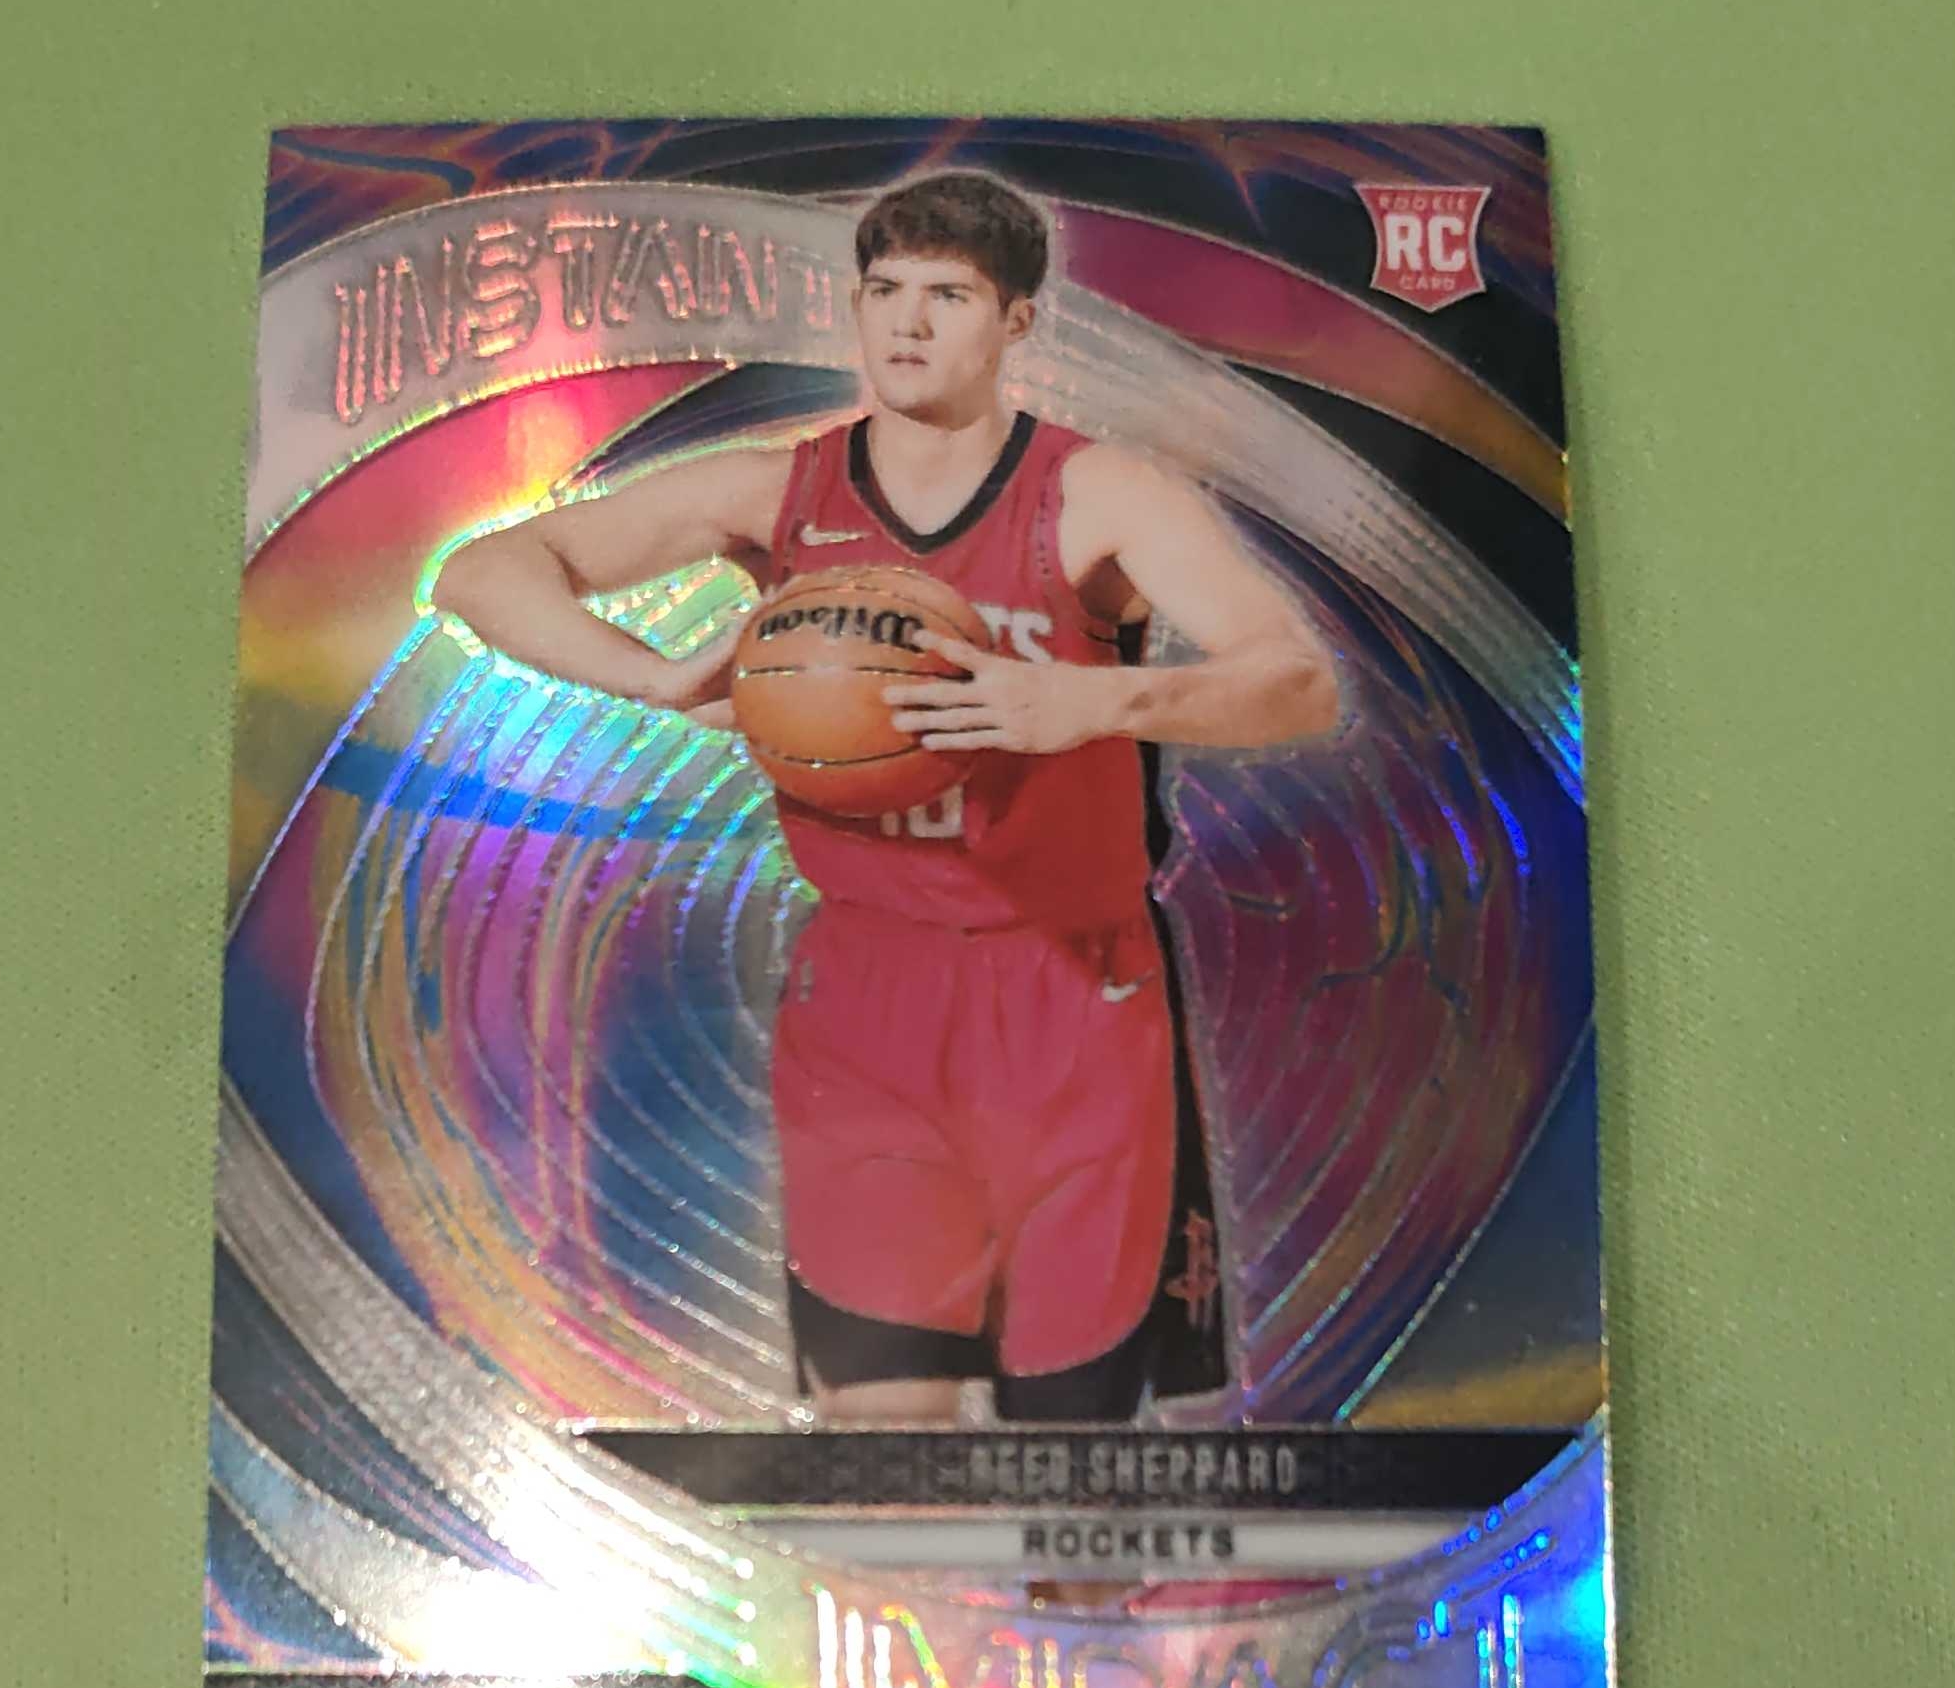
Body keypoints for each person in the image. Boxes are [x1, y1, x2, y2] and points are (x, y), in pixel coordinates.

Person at [432, 171, 1339, 1426]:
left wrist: (1091, 700)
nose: (907, 321)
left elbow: (1296, 679)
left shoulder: (1100, 497)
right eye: (884, 289)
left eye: (948, 295)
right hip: (868, 995)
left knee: (1072, 1443)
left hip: (1073, 992)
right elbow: (482, 572)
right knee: (880, 1425)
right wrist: (653, 676)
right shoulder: (777, 494)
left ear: (1016, 321)